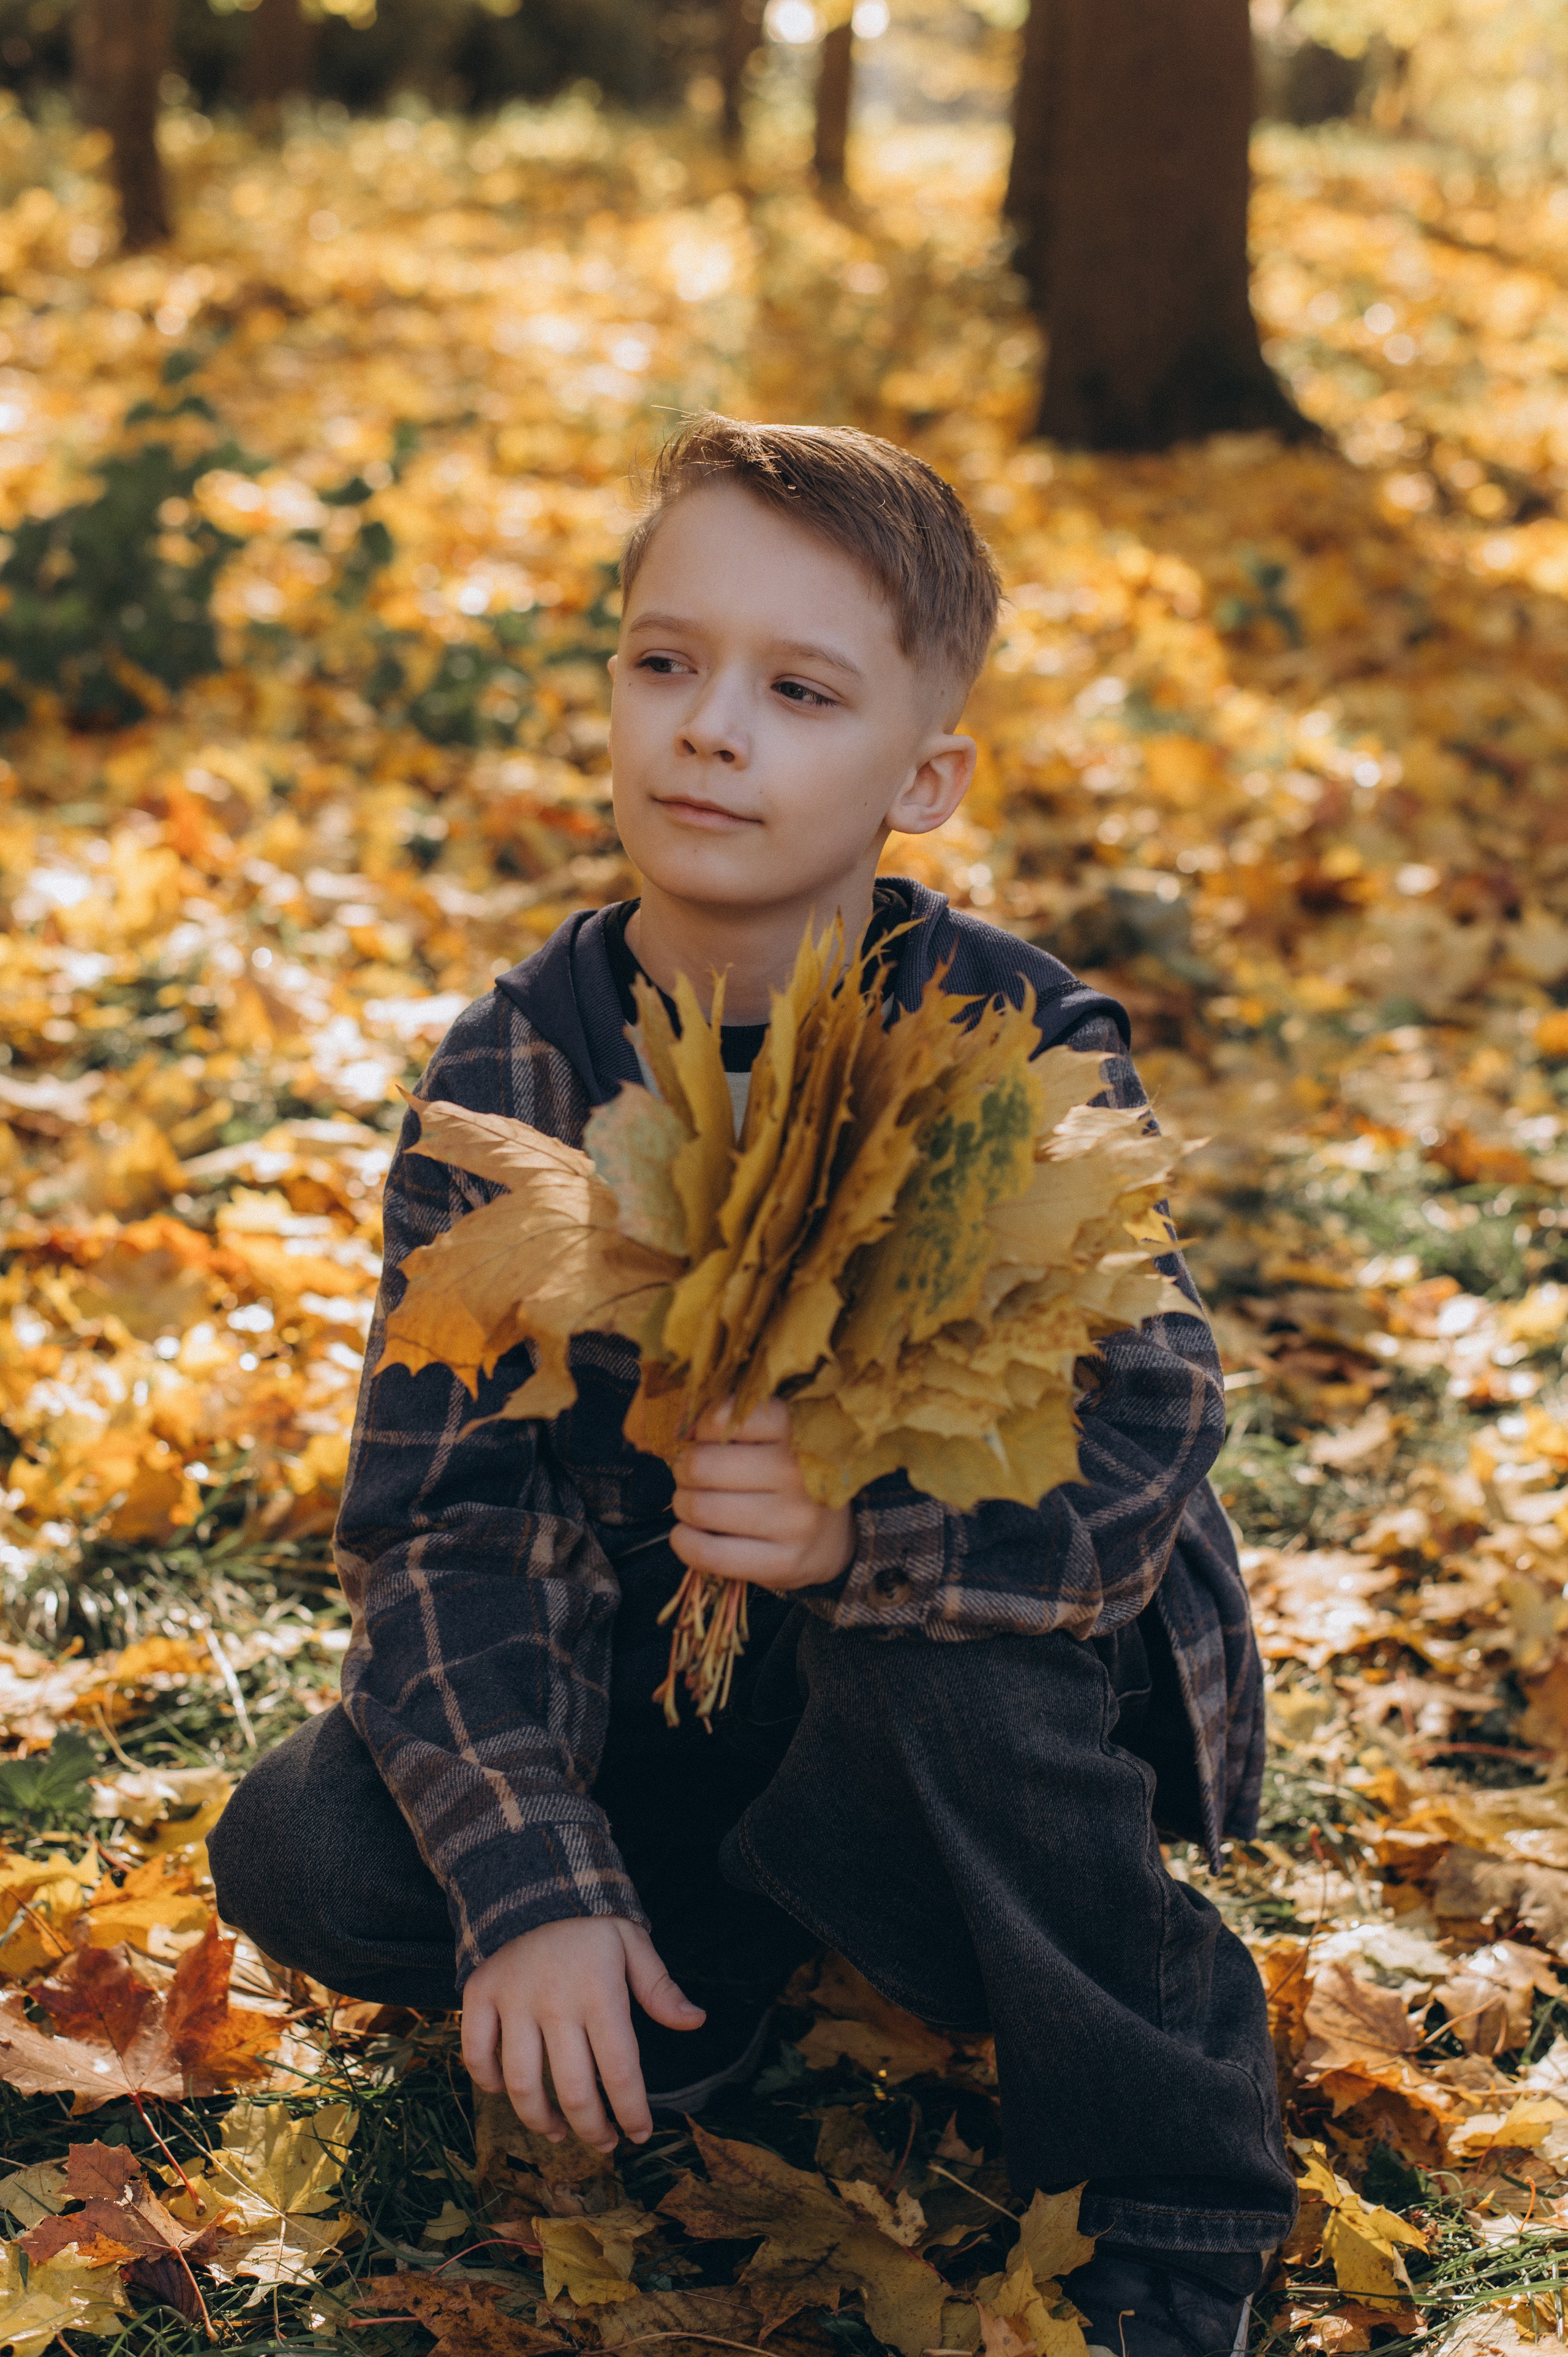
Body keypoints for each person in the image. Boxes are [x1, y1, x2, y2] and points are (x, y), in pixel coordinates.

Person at [210, 414, 1295, 2357]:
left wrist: (856, 1527)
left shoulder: (1017, 1034)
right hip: (664, 1662)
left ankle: (1168, 2168)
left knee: (924, 1650)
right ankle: (688, 1952)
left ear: (927, 773)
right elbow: (448, 1513)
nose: (711, 728)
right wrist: (531, 1884)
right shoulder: (520, 1069)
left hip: (996, 1648)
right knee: (311, 1851)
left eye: (800, 690)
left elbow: (1150, 1429)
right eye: (664, 661)